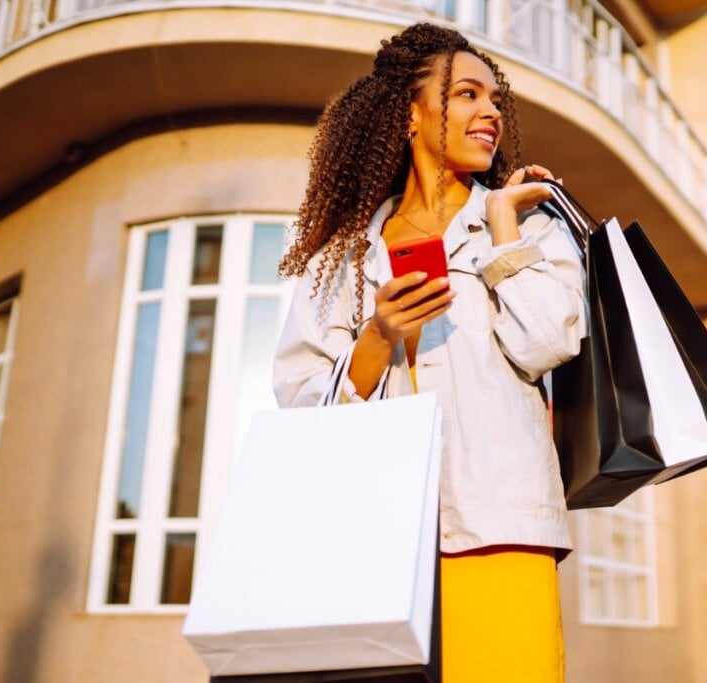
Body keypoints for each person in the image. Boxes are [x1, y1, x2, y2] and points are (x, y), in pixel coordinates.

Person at [273, 22, 585, 681]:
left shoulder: (530, 223)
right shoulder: (346, 256)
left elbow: (549, 342)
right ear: (411, 115)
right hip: (376, 542)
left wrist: (502, 231)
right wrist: (376, 336)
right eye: (467, 95)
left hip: (499, 527)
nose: (490, 112)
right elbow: (299, 402)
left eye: (495, 99)